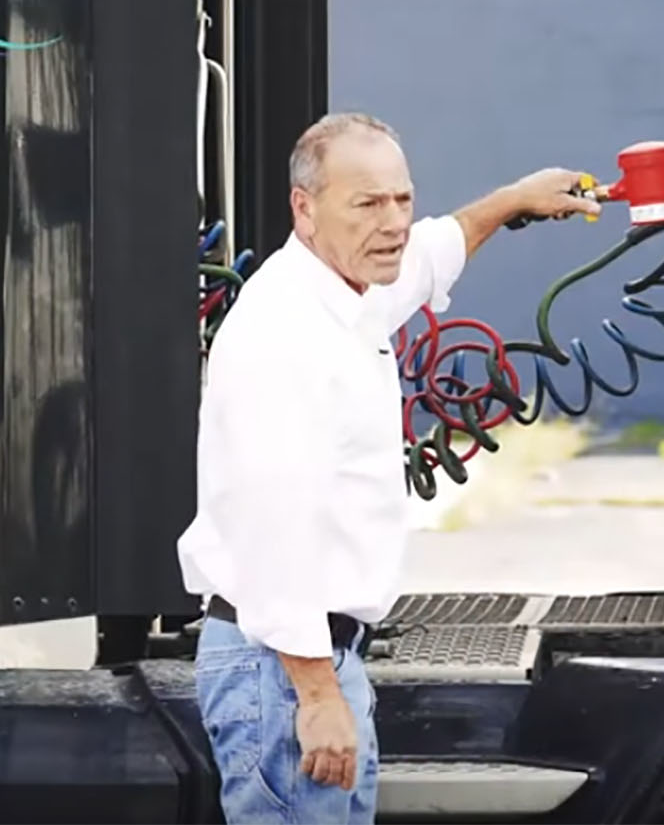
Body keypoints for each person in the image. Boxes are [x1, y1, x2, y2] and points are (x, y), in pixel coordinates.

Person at [176, 111, 600, 824]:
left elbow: (432, 251)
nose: (395, 222)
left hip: (313, 659)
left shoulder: (349, 293)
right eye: (368, 203)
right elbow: (270, 525)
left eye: (402, 199)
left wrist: (515, 198)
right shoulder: (285, 332)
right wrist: (316, 697)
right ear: (304, 209)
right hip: (279, 668)